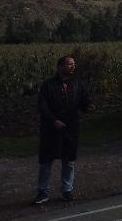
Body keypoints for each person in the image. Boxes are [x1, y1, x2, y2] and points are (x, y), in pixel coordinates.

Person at [32, 56, 94, 205]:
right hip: (51, 128)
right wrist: (53, 120)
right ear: (60, 66)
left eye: (74, 64)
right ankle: (43, 191)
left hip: (71, 128)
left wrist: (89, 106)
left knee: (69, 160)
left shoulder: (77, 84)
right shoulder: (48, 85)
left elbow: (83, 100)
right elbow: (42, 106)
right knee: (46, 160)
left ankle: (67, 190)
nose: (72, 66)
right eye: (69, 64)